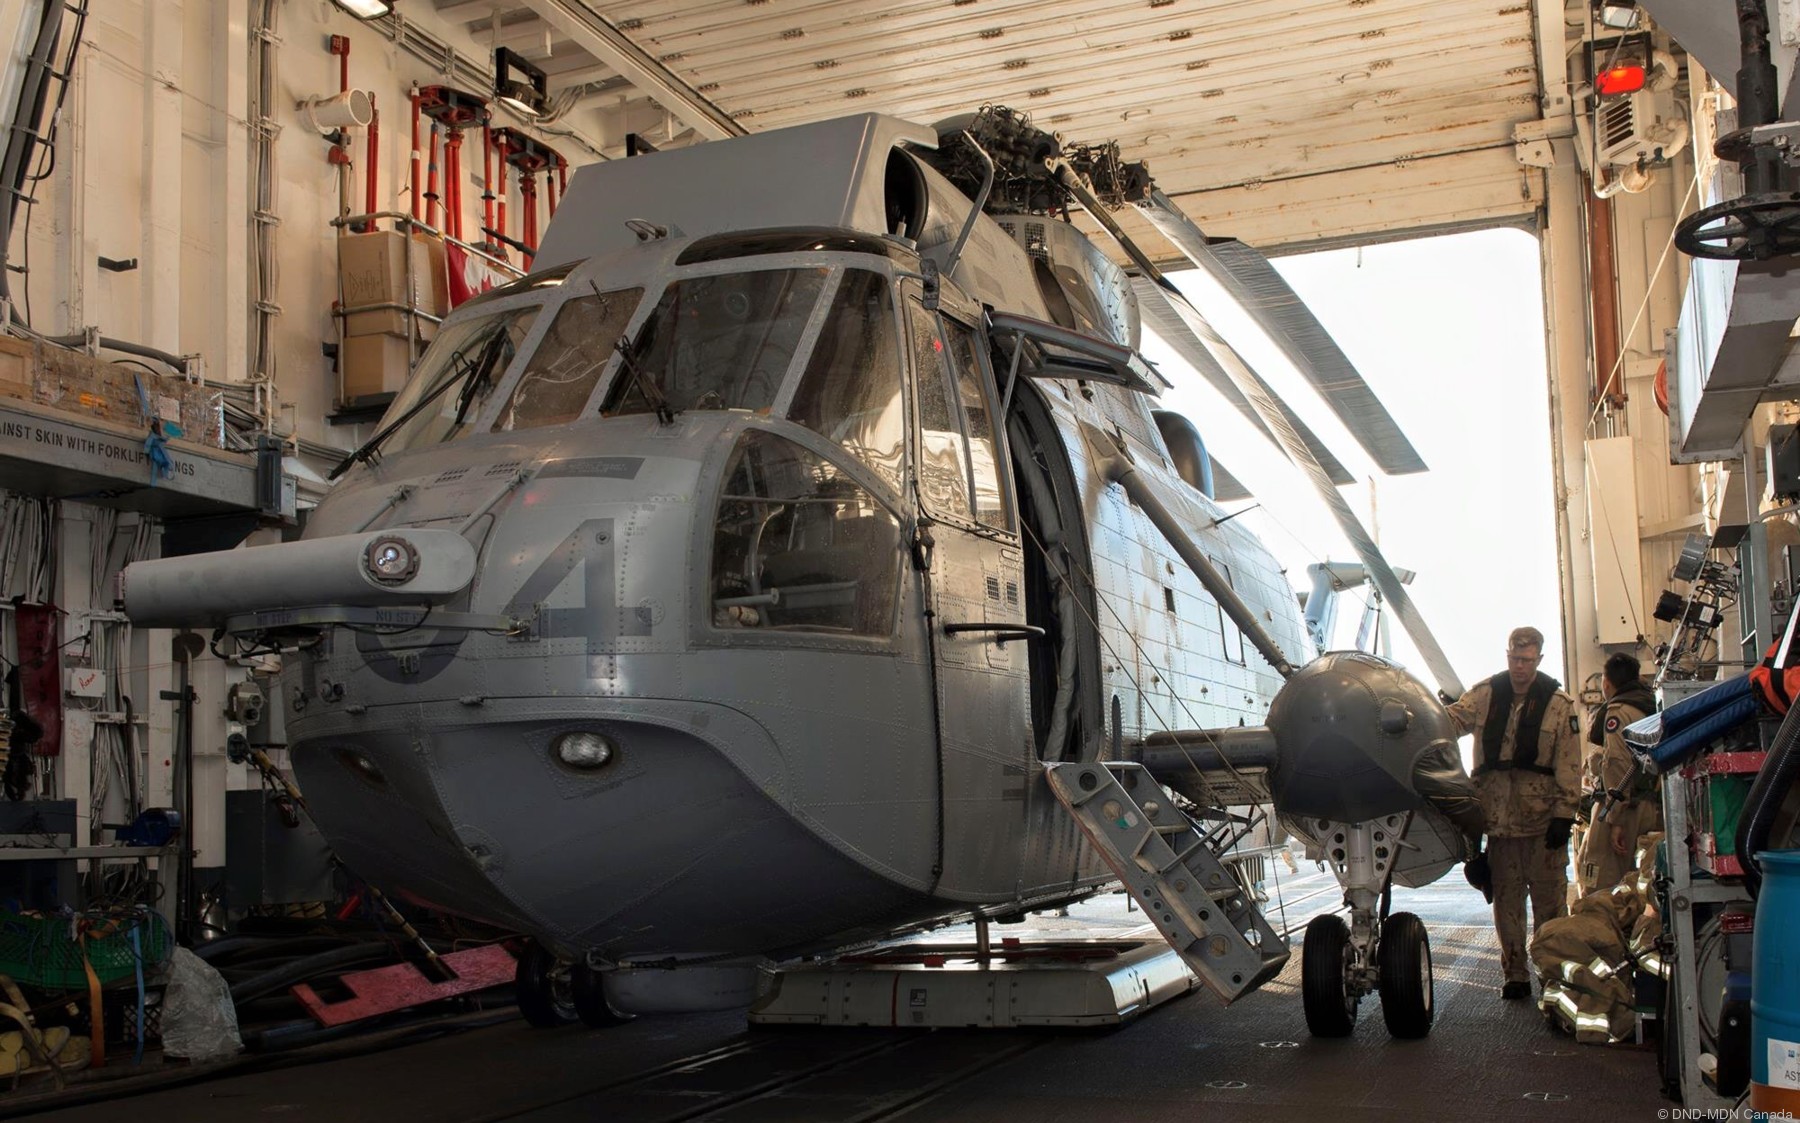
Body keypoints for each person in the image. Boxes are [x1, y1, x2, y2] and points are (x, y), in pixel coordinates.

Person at [1446, 626, 1583, 1000]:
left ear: (1538, 660)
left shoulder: (1559, 705)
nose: (1519, 667)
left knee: (1550, 904)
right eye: (1514, 659)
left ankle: (1552, 975)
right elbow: (1449, 723)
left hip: (1542, 823)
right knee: (1507, 902)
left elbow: (1570, 764)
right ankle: (1516, 974)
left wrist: (1564, 815)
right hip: (1500, 824)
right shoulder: (1485, 695)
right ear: (1506, 656)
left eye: (1526, 660)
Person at [1574, 653, 1659, 897]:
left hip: (1624, 808)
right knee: (1637, 881)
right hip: (1645, 803)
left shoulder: (1619, 711)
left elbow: (1617, 764)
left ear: (1606, 682)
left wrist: (1615, 819)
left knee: (1601, 884)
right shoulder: (1647, 704)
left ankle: (1602, 933)